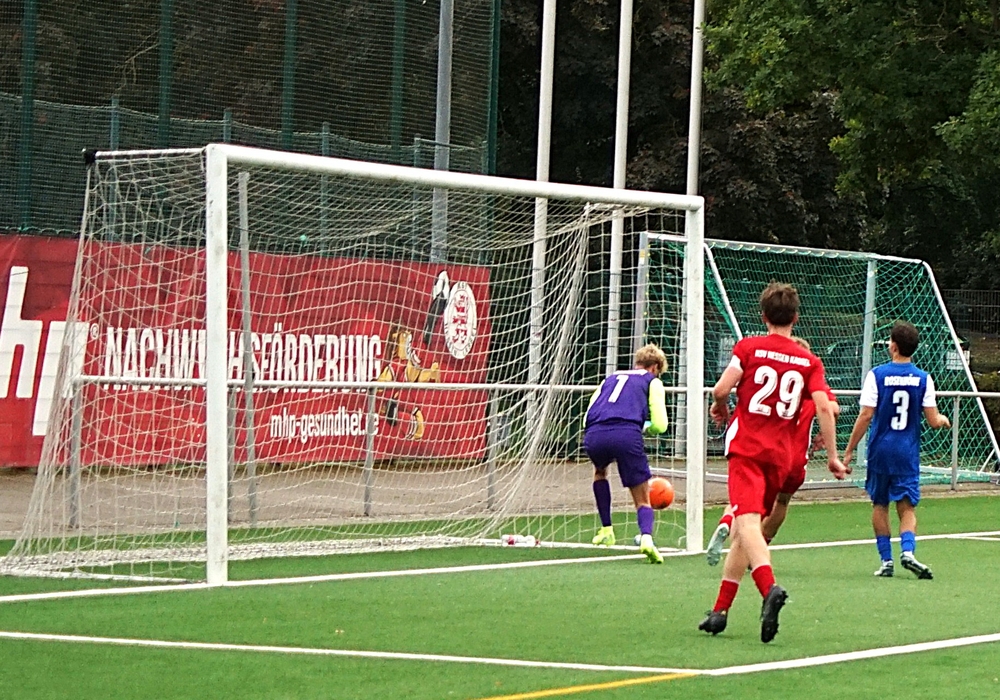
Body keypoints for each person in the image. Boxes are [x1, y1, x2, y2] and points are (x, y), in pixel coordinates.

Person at [699, 283, 848, 644]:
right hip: (781, 457)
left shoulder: (748, 347)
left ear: (763, 315)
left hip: (748, 449)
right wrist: (832, 456)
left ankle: (769, 588)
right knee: (745, 531)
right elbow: (826, 406)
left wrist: (719, 406)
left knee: (747, 523)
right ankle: (720, 611)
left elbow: (721, 389)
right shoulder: (809, 361)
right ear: (795, 318)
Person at [705, 337, 840, 565]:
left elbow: (721, 390)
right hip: (795, 459)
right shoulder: (811, 385)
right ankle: (759, 548)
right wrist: (825, 438)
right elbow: (831, 408)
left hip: (766, 447)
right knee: (782, 502)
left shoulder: (770, 375)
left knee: (744, 498)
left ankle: (728, 522)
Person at [843, 321, 951, 580]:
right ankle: (908, 551)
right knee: (907, 506)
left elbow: (866, 415)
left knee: (879, 503)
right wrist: (943, 420)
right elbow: (933, 420)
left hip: (880, 451)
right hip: (906, 453)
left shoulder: (877, 375)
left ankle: (886, 560)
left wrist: (849, 450)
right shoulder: (924, 379)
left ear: (893, 346)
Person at [583, 343, 670, 564]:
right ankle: (646, 538)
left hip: (594, 434)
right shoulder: (652, 381)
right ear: (655, 367)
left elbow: (588, 414)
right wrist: (645, 427)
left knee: (599, 472)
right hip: (626, 434)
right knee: (642, 496)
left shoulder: (611, 378)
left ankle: (606, 529)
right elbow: (660, 425)